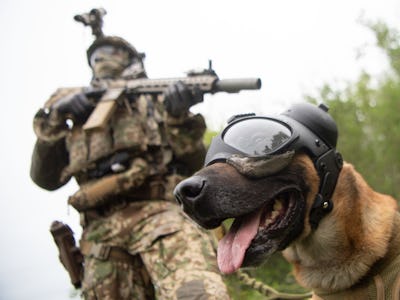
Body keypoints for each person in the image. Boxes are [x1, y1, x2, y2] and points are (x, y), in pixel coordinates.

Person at [30, 8, 230, 300]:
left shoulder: (153, 99)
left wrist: (178, 117)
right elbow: (44, 178)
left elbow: (195, 165)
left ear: (130, 59)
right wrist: (56, 119)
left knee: (196, 293)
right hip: (99, 238)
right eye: (97, 54)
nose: (103, 58)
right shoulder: (72, 113)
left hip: (162, 216)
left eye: (112, 51)